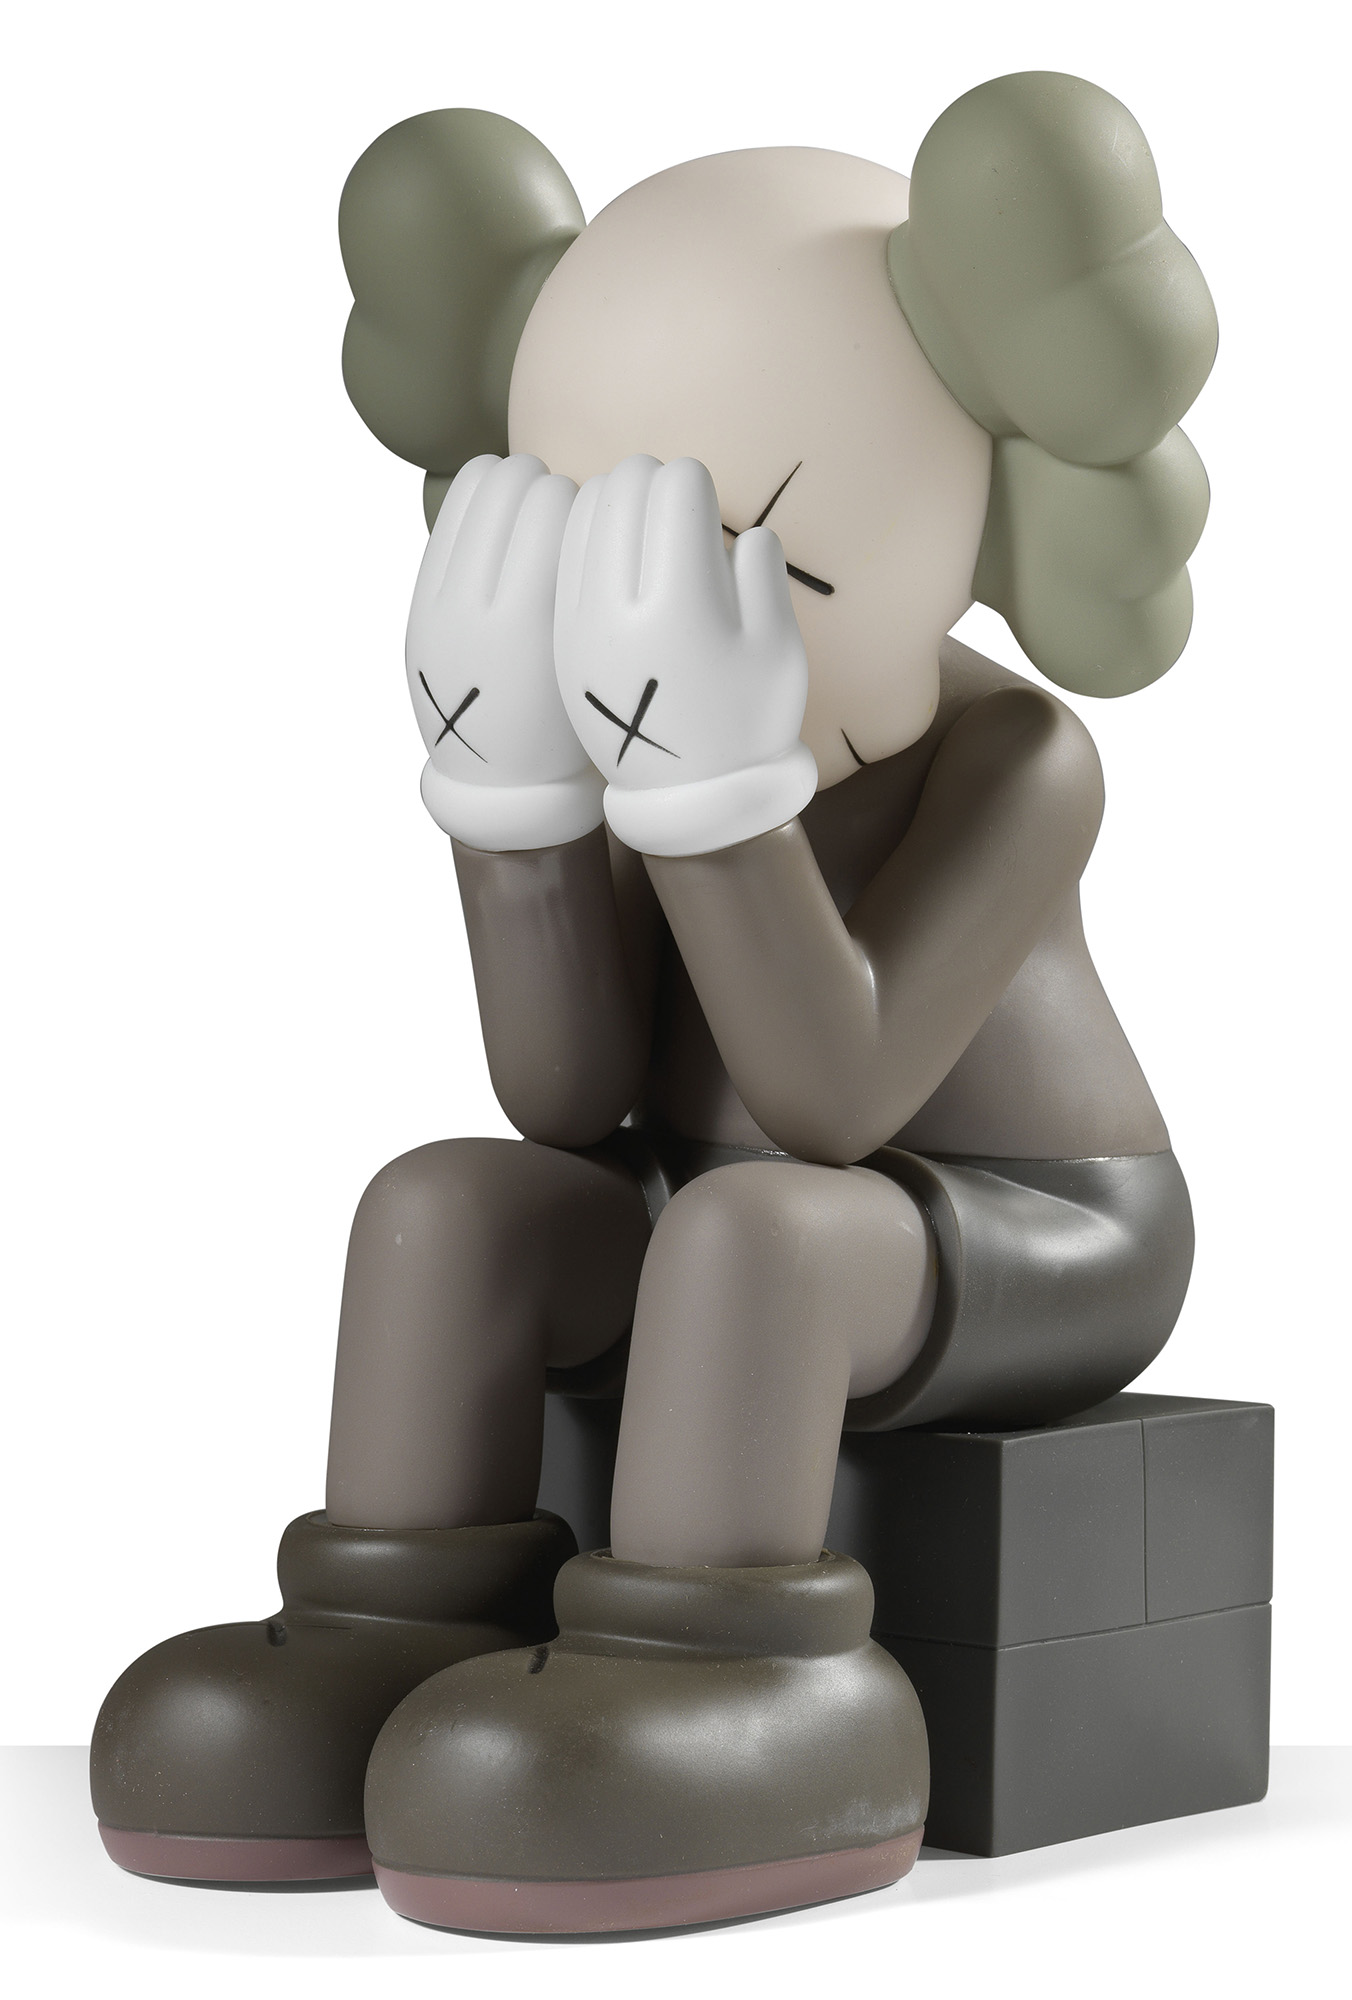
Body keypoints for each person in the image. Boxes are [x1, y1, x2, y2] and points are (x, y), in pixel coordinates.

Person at [92, 71, 1217, 1934]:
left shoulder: (1021, 762)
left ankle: (736, 1676)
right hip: (739, 1193)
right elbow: (569, 1093)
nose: (672, 604)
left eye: (761, 543)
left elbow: (832, 1098)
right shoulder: (643, 708)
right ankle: (394, 1629)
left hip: (1043, 1223)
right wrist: (512, 796)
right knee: (448, 1202)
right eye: (607, 547)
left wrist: (709, 789)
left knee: (759, 1242)